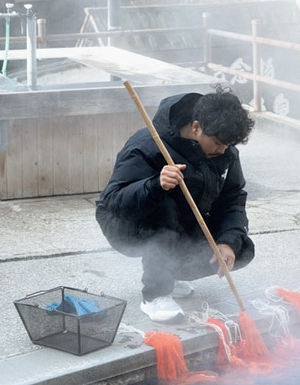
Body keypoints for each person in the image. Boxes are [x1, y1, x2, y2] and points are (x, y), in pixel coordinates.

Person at [96, 85, 255, 323]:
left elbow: (232, 199)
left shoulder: (225, 151)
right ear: (196, 127)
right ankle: (155, 295)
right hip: (127, 223)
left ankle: (170, 271)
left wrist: (228, 241)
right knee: (165, 204)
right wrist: (155, 184)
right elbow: (114, 200)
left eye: (229, 144)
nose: (223, 149)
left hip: (184, 220)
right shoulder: (148, 143)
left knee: (242, 248)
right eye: (218, 142)